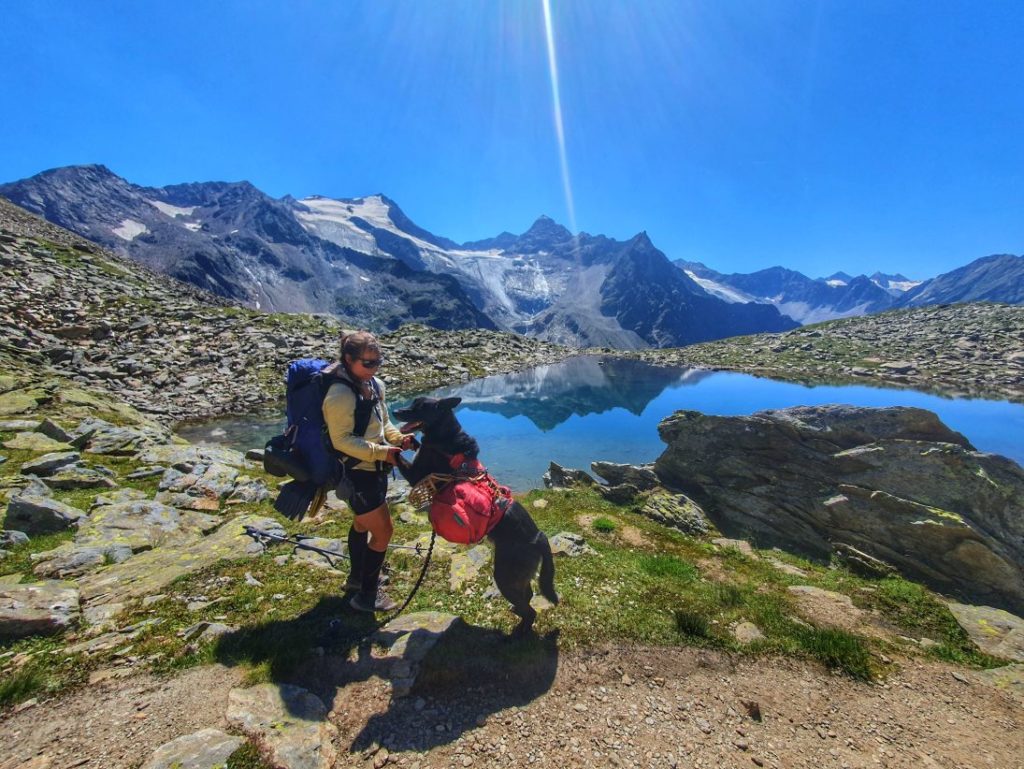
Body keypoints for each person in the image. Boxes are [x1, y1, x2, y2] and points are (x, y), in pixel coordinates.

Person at [322, 330, 414, 613]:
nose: (373, 368)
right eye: (367, 363)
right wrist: (382, 452)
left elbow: (382, 422)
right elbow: (342, 440)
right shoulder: (339, 395)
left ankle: (356, 578)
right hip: (356, 472)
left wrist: (398, 439)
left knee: (363, 524)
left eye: (378, 362)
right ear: (348, 360)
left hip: (375, 470)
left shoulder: (375, 385)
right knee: (384, 532)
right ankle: (367, 596)